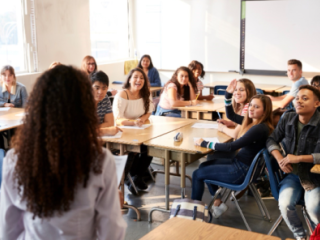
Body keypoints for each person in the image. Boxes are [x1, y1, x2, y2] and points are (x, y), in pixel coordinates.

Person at [0, 65, 126, 240]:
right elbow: (111, 233)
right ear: (84, 108)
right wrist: (114, 208)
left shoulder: (14, 160)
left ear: (37, 107)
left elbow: (8, 232)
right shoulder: (101, 161)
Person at [192, 95, 273, 218]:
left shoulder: (259, 129)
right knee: (203, 165)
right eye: (251, 105)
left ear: (265, 111)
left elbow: (232, 147)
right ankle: (218, 202)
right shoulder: (258, 125)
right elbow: (233, 117)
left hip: (240, 171)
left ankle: (193, 213)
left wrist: (205, 143)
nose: (251, 109)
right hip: (241, 166)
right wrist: (228, 96)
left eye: (256, 107)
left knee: (197, 174)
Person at [266, 85, 320, 240]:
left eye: (305, 98)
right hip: (293, 176)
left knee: (313, 208)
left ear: (317, 103)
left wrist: (299, 158)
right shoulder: (288, 118)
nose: (299, 101)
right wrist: (279, 158)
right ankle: (300, 236)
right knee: (284, 204)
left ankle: (316, 235)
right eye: (297, 98)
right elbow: (271, 139)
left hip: (314, 177)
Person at [112, 67, 154, 194]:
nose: (138, 80)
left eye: (141, 78)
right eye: (135, 77)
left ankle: (137, 177)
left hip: (139, 129)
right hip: (123, 131)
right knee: (133, 151)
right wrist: (133, 123)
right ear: (129, 79)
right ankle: (127, 180)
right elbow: (118, 119)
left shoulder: (145, 94)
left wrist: (141, 119)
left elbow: (149, 111)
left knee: (150, 148)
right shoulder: (122, 95)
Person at [89, 71, 122, 136]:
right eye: (97, 88)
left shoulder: (105, 98)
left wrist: (94, 129)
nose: (100, 92)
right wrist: (106, 130)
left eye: (104, 88)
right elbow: (82, 131)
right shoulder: (82, 101)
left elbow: (110, 123)